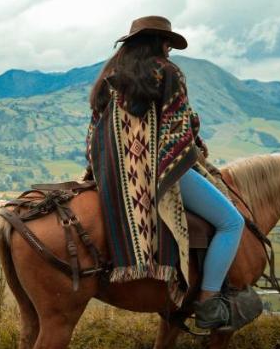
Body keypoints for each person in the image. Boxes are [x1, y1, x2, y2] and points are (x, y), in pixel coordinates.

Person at [85, 16, 249, 331]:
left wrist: (100, 173)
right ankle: (209, 301)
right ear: (160, 42)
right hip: (159, 174)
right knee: (232, 222)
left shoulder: (109, 78)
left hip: (115, 178)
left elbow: (94, 133)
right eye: (168, 44)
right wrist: (196, 149)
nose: (169, 51)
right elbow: (182, 127)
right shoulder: (168, 73)